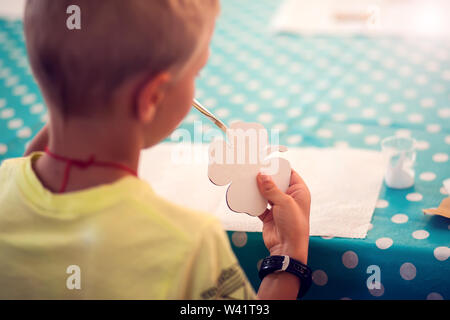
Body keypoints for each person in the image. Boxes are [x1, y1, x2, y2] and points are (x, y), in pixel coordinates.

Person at [0, 0, 311, 299]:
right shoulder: (190, 244)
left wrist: (73, 99)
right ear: (151, 98)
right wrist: (288, 257)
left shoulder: (4, 183)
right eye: (196, 73)